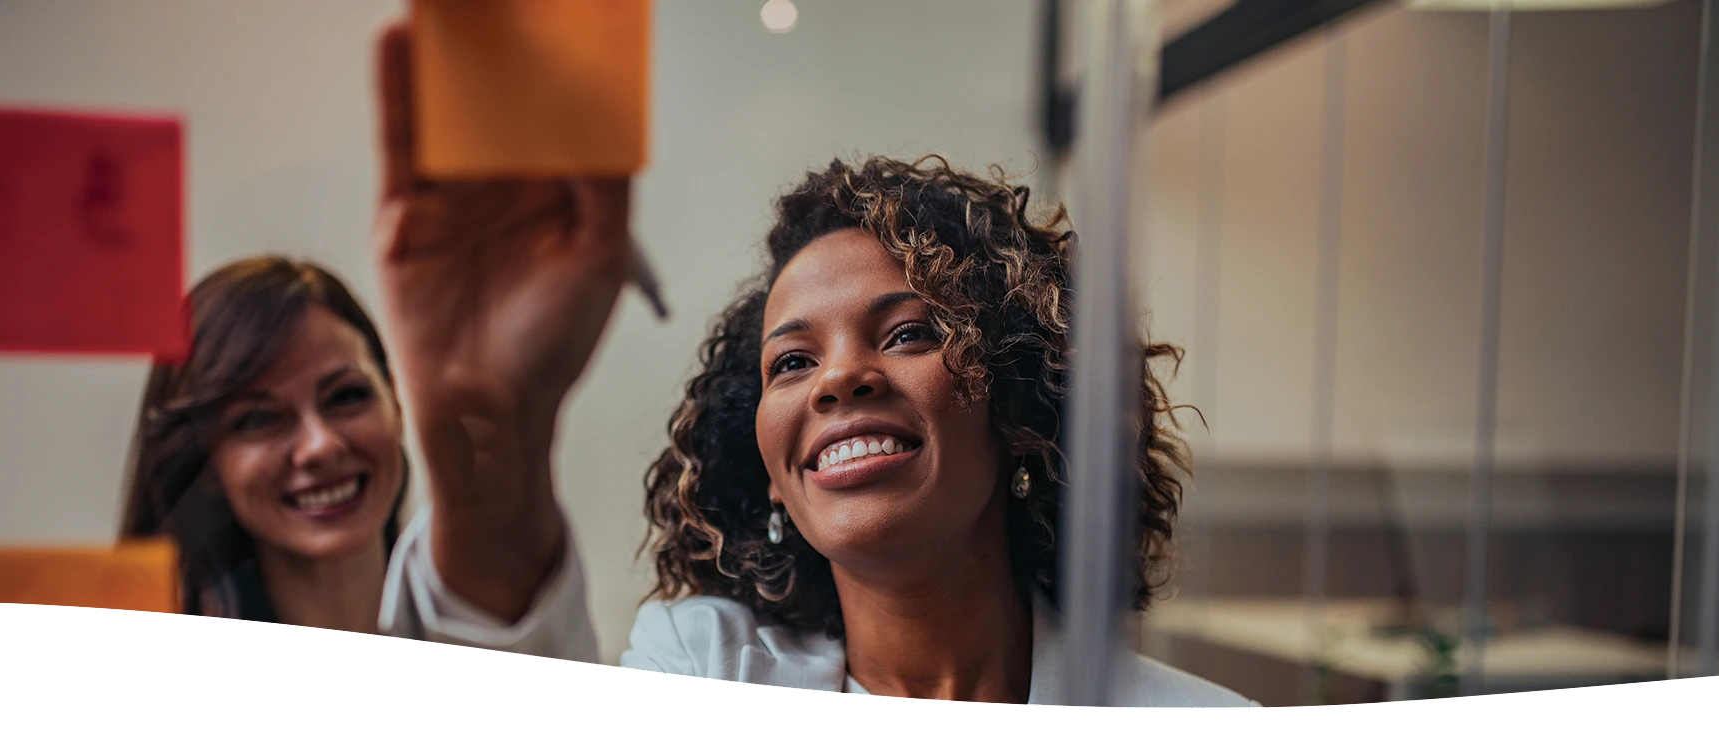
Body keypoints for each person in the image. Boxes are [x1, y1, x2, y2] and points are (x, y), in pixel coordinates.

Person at [367, 22, 1254, 708]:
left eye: (907, 333)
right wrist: (497, 444)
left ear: (1020, 405)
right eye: (791, 361)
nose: (839, 378)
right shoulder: (704, 667)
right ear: (775, 485)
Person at [121, 257, 409, 635]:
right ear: (205, 462)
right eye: (259, 420)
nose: (320, 446)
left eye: (346, 396)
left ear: (395, 398)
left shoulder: (492, 624)